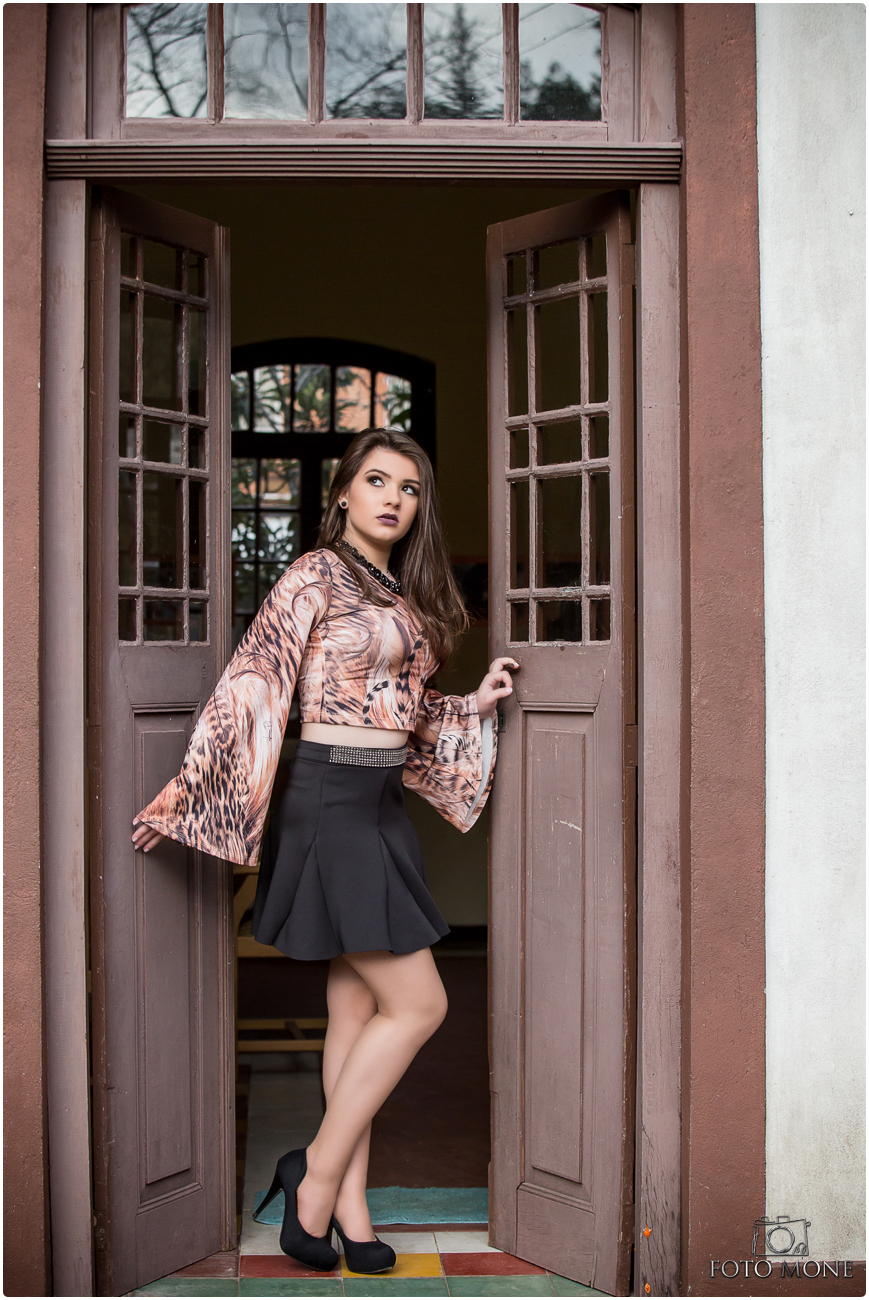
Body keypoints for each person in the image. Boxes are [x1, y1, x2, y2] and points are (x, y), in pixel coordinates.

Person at [131, 426, 517, 1274]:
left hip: (378, 804)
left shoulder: (397, 589)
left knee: (356, 1009)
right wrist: (189, 792)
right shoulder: (313, 573)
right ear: (342, 492)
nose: (392, 499)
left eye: (408, 488)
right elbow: (253, 682)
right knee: (420, 1006)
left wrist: (473, 706)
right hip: (328, 802)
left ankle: (351, 1207)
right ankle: (312, 1174)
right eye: (376, 481)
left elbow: (401, 707)